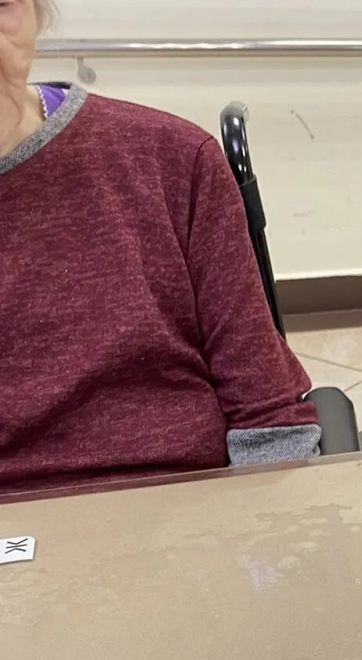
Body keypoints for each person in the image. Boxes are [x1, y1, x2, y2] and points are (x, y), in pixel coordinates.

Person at [0, 0, 320, 496]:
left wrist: (274, 518)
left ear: (36, 13)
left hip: (181, 495)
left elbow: (266, 411)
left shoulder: (172, 159)